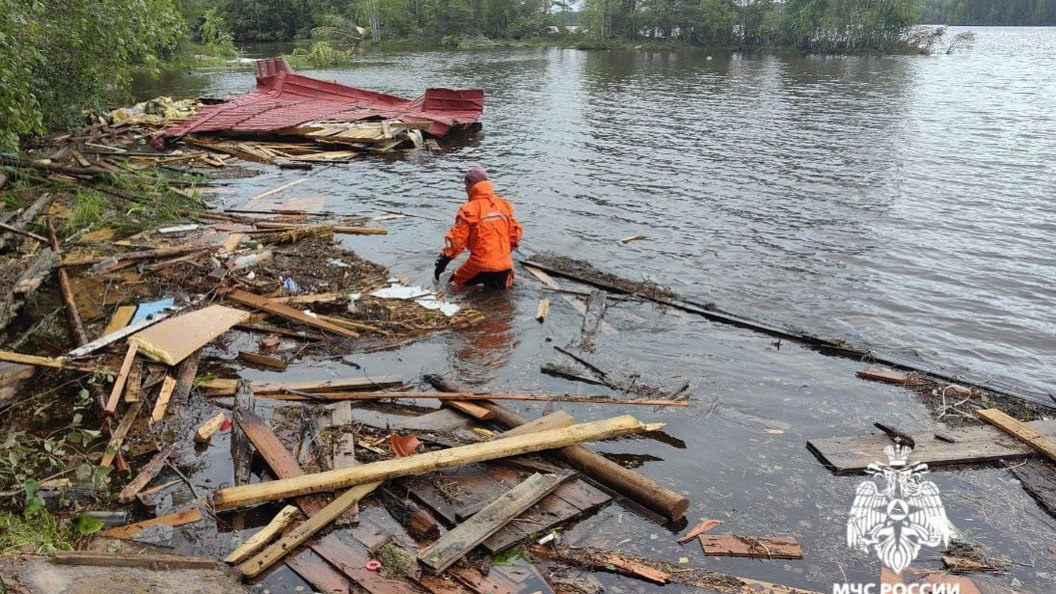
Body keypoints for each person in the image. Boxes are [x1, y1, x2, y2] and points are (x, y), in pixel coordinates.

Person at [434, 166, 523, 290]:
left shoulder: (468, 210)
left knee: (453, 285)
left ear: (471, 184)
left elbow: (457, 242)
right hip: (505, 265)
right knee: (500, 299)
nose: (465, 189)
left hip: (480, 264)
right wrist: (501, 255)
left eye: (466, 185)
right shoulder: (503, 205)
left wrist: (443, 262)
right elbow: (515, 235)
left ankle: (457, 306)